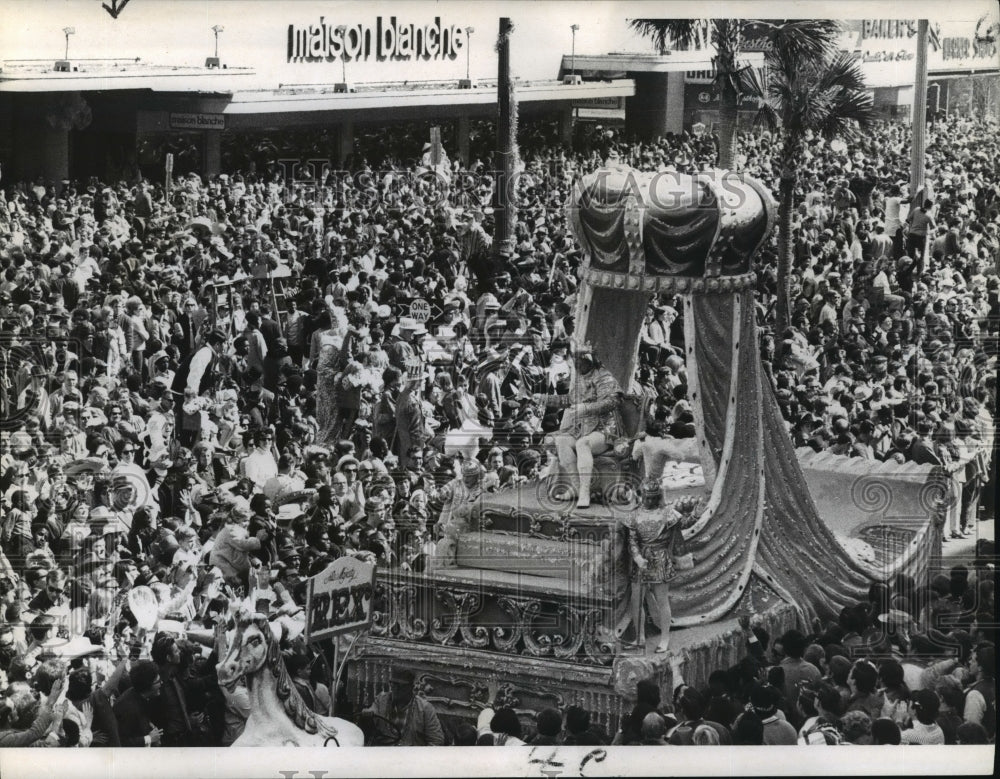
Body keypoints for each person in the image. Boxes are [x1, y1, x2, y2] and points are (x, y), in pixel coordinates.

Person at [533, 340, 623, 508]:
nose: (576, 364)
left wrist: (586, 408)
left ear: (589, 360)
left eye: (579, 361)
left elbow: (612, 402)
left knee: (583, 444)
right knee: (561, 441)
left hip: (604, 428)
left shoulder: (604, 376)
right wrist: (543, 398)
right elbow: (568, 400)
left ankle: (584, 492)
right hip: (582, 427)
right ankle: (576, 487)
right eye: (574, 361)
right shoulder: (580, 378)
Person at [361, 668, 444, 746]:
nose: (395, 689)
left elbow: (436, 741)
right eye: (393, 684)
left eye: (400, 685)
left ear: (410, 687)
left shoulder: (425, 709)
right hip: (385, 754)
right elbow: (372, 711)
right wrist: (368, 713)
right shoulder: (381, 700)